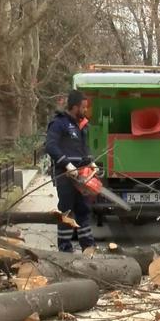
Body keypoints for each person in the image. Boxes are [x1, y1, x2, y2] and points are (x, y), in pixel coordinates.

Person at [45, 90, 96, 252]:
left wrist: (91, 161)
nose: (85, 110)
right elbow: (50, 146)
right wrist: (67, 164)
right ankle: (65, 249)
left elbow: (82, 148)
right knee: (66, 211)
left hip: (81, 174)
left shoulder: (80, 125)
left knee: (83, 209)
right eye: (83, 107)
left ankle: (88, 247)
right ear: (74, 107)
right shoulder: (59, 123)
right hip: (65, 175)